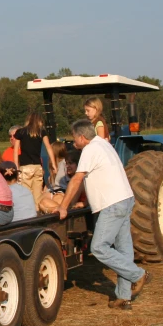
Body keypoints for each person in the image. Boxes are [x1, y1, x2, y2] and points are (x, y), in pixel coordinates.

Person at [56, 119, 151, 310]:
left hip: (112, 204)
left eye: (74, 137)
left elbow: (77, 179)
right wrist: (77, 202)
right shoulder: (103, 144)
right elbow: (90, 179)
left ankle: (138, 275)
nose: (73, 141)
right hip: (124, 199)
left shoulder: (90, 150)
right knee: (124, 251)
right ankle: (124, 297)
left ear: (82, 137)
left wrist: (63, 207)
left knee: (99, 247)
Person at [13, 112, 57, 211]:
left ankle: (28, 217)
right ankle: (38, 214)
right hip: (38, 167)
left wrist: (16, 166)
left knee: (26, 195)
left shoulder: (20, 132)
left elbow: (16, 151)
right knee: (37, 196)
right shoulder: (41, 132)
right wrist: (53, 164)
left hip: (25, 167)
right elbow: (49, 148)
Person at [39, 149, 86, 213]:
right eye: (66, 163)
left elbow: (71, 203)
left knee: (50, 201)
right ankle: (55, 211)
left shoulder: (79, 181)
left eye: (70, 163)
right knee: (44, 201)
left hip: (75, 210)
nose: (67, 166)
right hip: (67, 208)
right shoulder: (71, 179)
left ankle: (55, 211)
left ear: (78, 164)